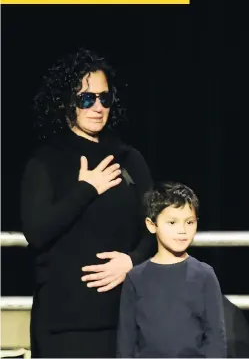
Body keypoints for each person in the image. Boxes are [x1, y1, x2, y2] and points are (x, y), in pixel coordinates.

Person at [21, 48, 156, 357]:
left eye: (104, 98)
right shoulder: (46, 161)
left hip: (125, 317)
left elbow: (155, 225)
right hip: (65, 326)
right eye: (86, 99)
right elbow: (37, 232)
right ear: (66, 102)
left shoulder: (129, 159)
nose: (97, 107)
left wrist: (132, 262)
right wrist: (86, 190)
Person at [116, 181, 227, 358]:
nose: (182, 230)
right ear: (152, 225)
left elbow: (215, 337)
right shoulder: (136, 278)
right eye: (172, 222)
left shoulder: (204, 275)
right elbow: (126, 340)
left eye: (189, 222)